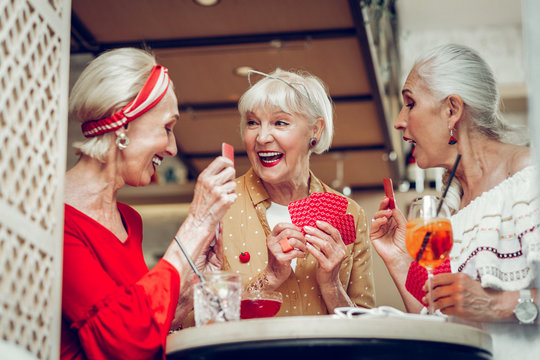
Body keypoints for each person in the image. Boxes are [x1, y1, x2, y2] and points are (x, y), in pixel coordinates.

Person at [62, 48, 236, 359]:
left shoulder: (129, 219)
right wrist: (196, 225)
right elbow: (123, 343)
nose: (171, 148)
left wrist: (194, 282)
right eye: (167, 128)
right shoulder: (55, 219)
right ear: (123, 125)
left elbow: (147, 326)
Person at [370, 44, 540, 359]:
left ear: (452, 110)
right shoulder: (448, 212)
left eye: (410, 103)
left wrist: (494, 303)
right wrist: (399, 261)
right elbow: (439, 323)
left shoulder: (530, 178)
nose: (399, 121)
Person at [220, 69, 374, 316]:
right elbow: (190, 320)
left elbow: (368, 333)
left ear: (315, 130)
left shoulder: (350, 213)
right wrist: (268, 279)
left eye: (280, 122)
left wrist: (332, 286)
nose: (261, 137)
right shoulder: (218, 207)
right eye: (252, 122)